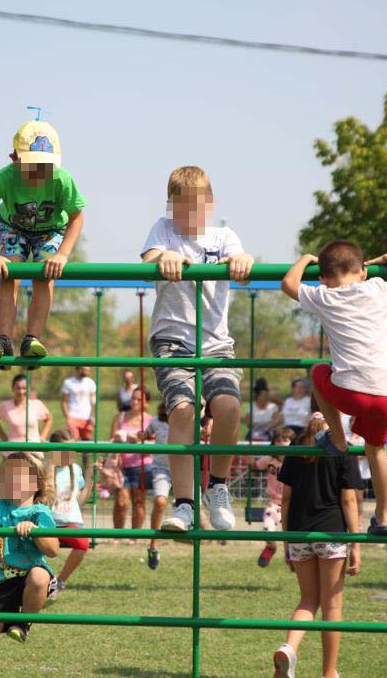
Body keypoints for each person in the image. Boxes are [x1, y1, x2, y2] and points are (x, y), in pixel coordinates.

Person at [141, 165, 254, 534]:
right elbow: (148, 261)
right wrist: (164, 259)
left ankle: (218, 486)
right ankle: (185, 503)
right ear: (171, 206)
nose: (191, 214)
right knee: (183, 411)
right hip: (172, 340)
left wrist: (242, 260)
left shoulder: (223, 235)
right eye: (182, 206)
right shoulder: (164, 229)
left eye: (198, 205)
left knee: (229, 406)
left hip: (216, 342)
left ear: (210, 202)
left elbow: (242, 261)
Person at [281, 241, 387, 536]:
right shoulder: (380, 289)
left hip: (350, 394)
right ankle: (383, 517)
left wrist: (304, 259)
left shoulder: (324, 296)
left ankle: (339, 438)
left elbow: (289, 284)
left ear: (324, 278)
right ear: (364, 271)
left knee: (318, 372)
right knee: (377, 451)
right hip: (385, 396)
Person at [0, 119, 87, 368]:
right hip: (14, 228)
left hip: (51, 230)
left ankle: (32, 340)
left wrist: (63, 254)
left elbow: (77, 216)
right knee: (8, 271)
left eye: (45, 167)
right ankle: (4, 339)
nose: (39, 174)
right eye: (32, 166)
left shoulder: (62, 179)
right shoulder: (5, 178)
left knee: (46, 273)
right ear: (14, 159)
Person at [273, 412, 362, 678]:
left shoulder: (296, 450)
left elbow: (285, 499)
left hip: (300, 533)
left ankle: (289, 647)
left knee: (308, 600)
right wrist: (356, 543)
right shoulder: (342, 449)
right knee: (332, 605)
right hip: (332, 533)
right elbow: (349, 501)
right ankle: (329, 672)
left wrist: (288, 540)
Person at [0, 452, 59, 675]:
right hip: (1, 580)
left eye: (16, 475)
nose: (9, 480)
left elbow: (53, 550)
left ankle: (24, 622)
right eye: (6, 475)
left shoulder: (40, 512)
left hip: (31, 579)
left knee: (40, 576)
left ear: (35, 483)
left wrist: (36, 531)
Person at [47, 428, 90, 600]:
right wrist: (51, 467)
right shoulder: (45, 468)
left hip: (69, 522)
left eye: (71, 449)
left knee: (83, 543)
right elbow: (48, 495)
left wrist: (92, 479)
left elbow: (79, 501)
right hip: (49, 521)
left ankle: (60, 581)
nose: (69, 454)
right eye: (64, 450)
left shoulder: (75, 469)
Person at [109, 386, 154, 538]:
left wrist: (140, 441)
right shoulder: (120, 417)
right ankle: (117, 535)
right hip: (122, 466)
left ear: (146, 402)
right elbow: (111, 440)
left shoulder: (151, 420)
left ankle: (134, 536)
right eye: (133, 398)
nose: (134, 402)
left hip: (143, 466)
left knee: (139, 502)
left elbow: (156, 444)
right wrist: (116, 440)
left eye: (139, 399)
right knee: (121, 502)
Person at [254, 426, 295, 568]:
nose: (282, 443)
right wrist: (248, 459)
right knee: (267, 528)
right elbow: (255, 465)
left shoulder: (296, 460)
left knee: (290, 532)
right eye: (278, 440)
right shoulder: (269, 459)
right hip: (274, 503)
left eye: (285, 440)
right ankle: (271, 546)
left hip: (292, 504)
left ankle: (290, 555)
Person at [142, 402, 172, 569]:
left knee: (194, 504)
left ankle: (198, 536)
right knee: (160, 502)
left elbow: (199, 433)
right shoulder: (156, 422)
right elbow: (146, 434)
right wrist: (141, 436)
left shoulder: (186, 420)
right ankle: (154, 546)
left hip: (183, 466)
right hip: (161, 468)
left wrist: (204, 432)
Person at [0, 374, 52, 446]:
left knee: (60, 454)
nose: (21, 391)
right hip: (13, 451)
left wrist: (42, 437)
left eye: (24, 388)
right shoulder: (6, 406)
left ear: (29, 389)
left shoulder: (37, 404)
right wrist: (4, 437)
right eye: (18, 388)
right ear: (12, 389)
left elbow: (49, 419)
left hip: (34, 450)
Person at [60, 365, 97, 441]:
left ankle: (85, 453)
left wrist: (93, 416)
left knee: (87, 441)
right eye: (85, 369)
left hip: (87, 417)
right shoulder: (68, 382)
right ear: (78, 369)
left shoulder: (90, 382)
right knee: (72, 439)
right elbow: (64, 401)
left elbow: (93, 401)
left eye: (88, 370)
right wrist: (68, 416)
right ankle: (67, 453)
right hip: (73, 415)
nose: (87, 372)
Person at [244, 377, 281, 442]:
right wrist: (264, 425)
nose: (266, 397)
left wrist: (261, 426)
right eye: (264, 395)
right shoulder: (251, 407)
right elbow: (248, 423)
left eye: (267, 395)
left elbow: (275, 421)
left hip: (269, 434)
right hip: (254, 435)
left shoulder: (273, 407)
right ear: (258, 396)